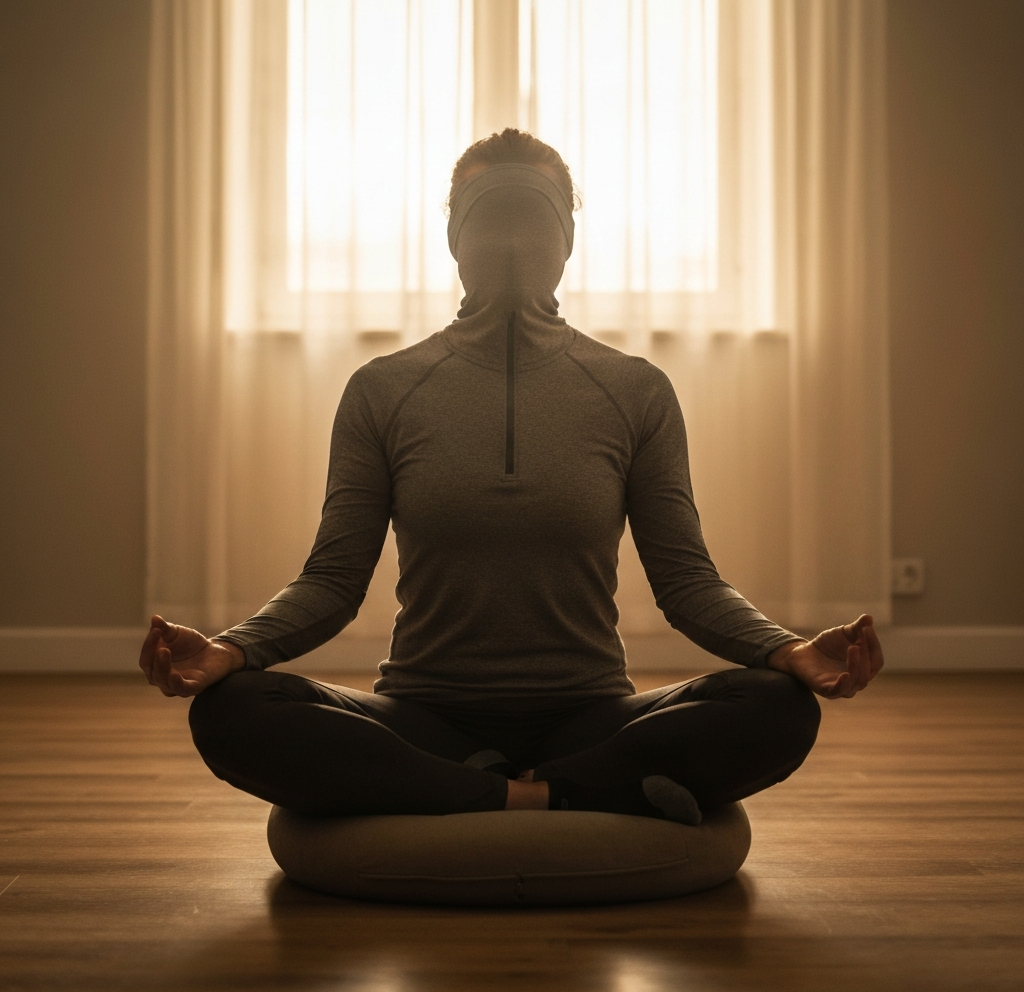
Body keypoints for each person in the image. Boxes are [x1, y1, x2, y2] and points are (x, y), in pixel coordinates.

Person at [140, 129, 882, 824]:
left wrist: (790, 652)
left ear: (567, 241)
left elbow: (688, 585)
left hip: (589, 714)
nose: (512, 244)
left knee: (775, 706)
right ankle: (567, 798)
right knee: (232, 710)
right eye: (491, 220)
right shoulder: (383, 389)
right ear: (454, 239)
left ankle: (480, 793)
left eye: (533, 220)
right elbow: (333, 582)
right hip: (426, 715)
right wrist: (230, 650)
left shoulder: (635, 389)